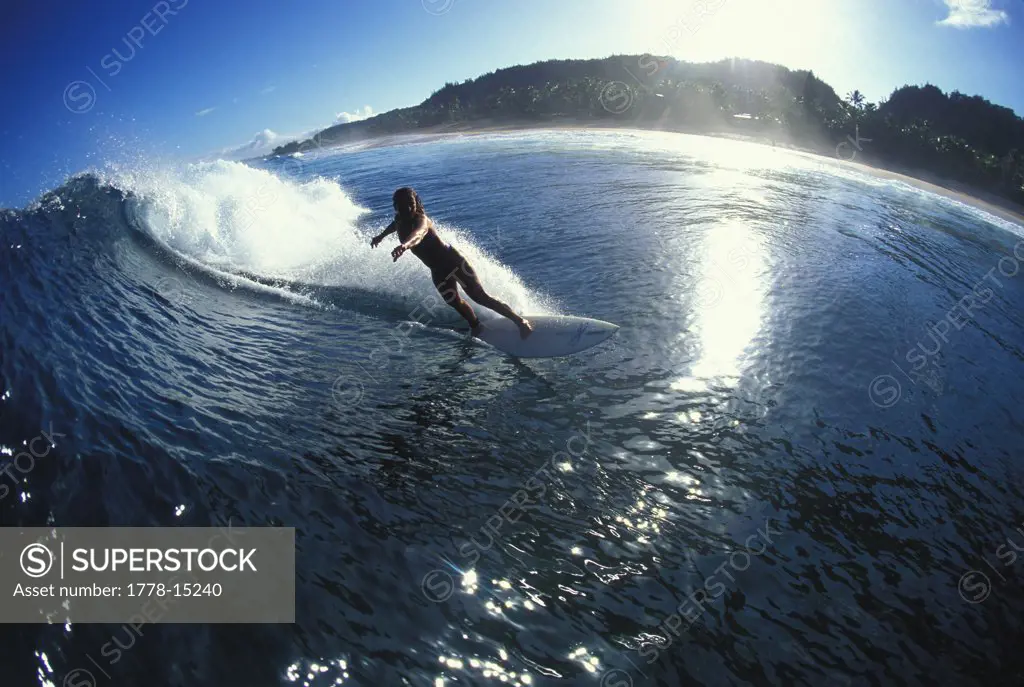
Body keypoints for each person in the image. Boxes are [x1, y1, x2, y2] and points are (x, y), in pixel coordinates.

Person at [371, 187, 533, 338]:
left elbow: (418, 235)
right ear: (395, 206)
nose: (407, 208)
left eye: (411, 204)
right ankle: (476, 326)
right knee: (453, 301)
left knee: (479, 297)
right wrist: (381, 236)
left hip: (454, 262)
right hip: (437, 269)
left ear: (417, 204)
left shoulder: (422, 220)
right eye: (401, 205)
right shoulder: (399, 218)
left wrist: (404, 246)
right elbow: (395, 225)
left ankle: (520, 321)